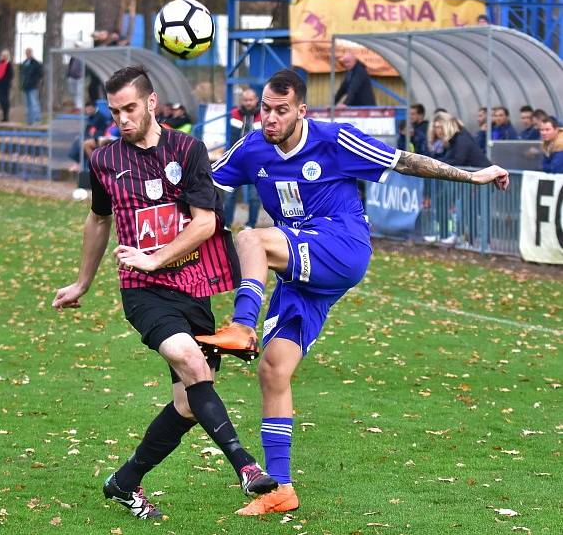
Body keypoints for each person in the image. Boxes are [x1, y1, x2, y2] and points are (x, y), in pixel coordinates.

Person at [196, 69, 509, 516]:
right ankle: (280, 489)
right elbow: (204, 183)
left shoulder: (336, 140)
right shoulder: (251, 148)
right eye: (265, 108)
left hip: (341, 247)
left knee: (252, 238)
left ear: (301, 110)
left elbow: (406, 161)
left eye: (281, 110)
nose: (269, 118)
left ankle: (242, 326)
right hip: (299, 270)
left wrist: (473, 176)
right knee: (273, 369)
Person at [52, 65, 277, 520]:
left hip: (193, 285)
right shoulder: (104, 160)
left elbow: (207, 221)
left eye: (130, 108)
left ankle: (125, 481)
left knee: (188, 403)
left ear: (151, 103)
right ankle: (246, 466)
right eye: (115, 112)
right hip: (143, 290)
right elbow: (98, 220)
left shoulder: (188, 150)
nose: (123, 119)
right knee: (192, 362)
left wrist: (159, 256)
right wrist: (82, 282)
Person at [224, 88, 262, 230]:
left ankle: (251, 224)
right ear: (241, 100)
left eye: (250, 100)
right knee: (229, 194)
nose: (248, 103)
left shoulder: (263, 114)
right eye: (245, 100)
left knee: (254, 195)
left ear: (256, 99)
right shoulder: (234, 114)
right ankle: (227, 224)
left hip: (256, 162)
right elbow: (232, 138)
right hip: (236, 161)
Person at [20, 47, 43, 124]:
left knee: (34, 103)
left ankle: (37, 119)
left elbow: (40, 74)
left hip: (33, 86)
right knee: (28, 104)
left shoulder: (36, 63)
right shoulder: (24, 63)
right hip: (26, 86)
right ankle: (30, 120)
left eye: (29, 53)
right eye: (26, 53)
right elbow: (22, 74)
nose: (27, 54)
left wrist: (36, 82)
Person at [0, 49, 14, 122]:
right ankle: (4, 116)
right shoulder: (0, 63)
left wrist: (5, 80)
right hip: (0, 84)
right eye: (2, 55)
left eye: (4, 55)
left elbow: (11, 75)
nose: (2, 56)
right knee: (1, 100)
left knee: (5, 100)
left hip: (5, 85)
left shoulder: (8, 64)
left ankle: (6, 116)